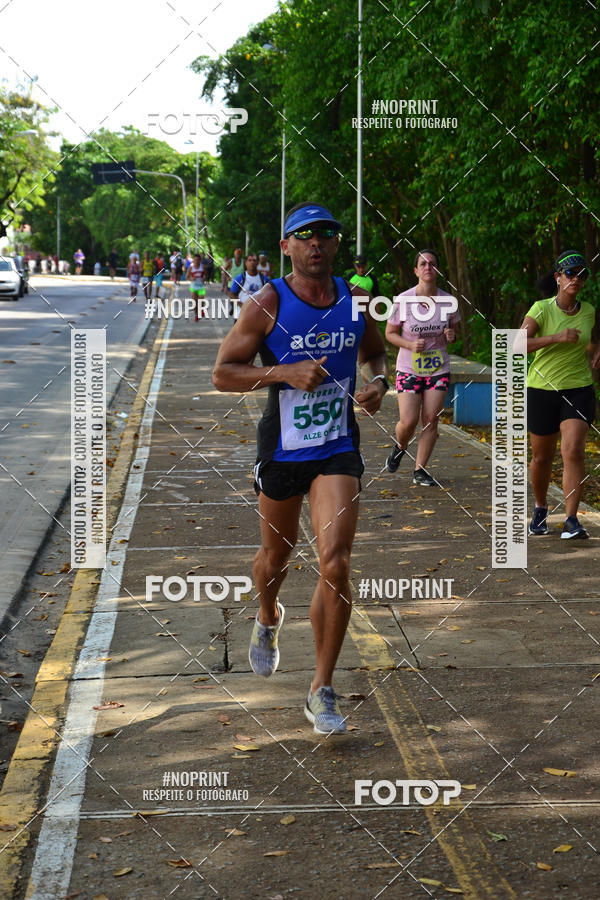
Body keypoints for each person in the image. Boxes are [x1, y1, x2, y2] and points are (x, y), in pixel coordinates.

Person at [213, 202, 389, 734]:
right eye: (305, 235)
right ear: (286, 246)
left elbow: (375, 353)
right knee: (276, 556)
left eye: (326, 234)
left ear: (336, 243)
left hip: (337, 446)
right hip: (283, 448)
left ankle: (321, 689)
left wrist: (379, 383)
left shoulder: (354, 299)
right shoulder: (268, 302)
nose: (317, 242)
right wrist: (282, 373)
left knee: (336, 562)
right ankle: (268, 615)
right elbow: (223, 373)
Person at [522, 251, 600, 539]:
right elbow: (517, 344)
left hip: (578, 389)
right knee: (542, 458)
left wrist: (597, 349)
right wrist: (555, 337)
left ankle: (571, 519)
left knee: (574, 450)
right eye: (570, 273)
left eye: (582, 274)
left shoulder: (589, 310)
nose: (576, 279)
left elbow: (592, 339)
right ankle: (540, 507)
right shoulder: (541, 309)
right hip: (541, 390)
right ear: (557, 277)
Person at [384, 248, 460, 487]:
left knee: (430, 419)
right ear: (416, 271)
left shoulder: (448, 301)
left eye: (432, 264)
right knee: (408, 421)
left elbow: (455, 331)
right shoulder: (403, 300)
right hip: (409, 367)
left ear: (437, 270)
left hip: (438, 368)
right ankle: (400, 446)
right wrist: (409, 344)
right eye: (423, 264)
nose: (428, 267)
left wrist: (451, 335)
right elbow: (390, 333)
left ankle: (420, 470)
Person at [229, 252, 267, 320]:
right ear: (245, 263)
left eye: (254, 260)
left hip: (258, 316)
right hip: (241, 316)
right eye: (249, 260)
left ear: (257, 263)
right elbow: (232, 294)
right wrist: (242, 306)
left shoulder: (264, 279)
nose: (252, 262)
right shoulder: (240, 278)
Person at [189, 253, 206, 321]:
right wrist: (191, 278)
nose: (196, 261)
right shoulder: (191, 268)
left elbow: (206, 275)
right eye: (195, 259)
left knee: (201, 301)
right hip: (193, 287)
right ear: (193, 260)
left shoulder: (203, 267)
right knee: (194, 302)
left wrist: (204, 278)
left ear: (200, 260)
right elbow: (187, 276)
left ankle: (201, 309)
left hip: (201, 286)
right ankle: (196, 315)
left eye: (198, 260)